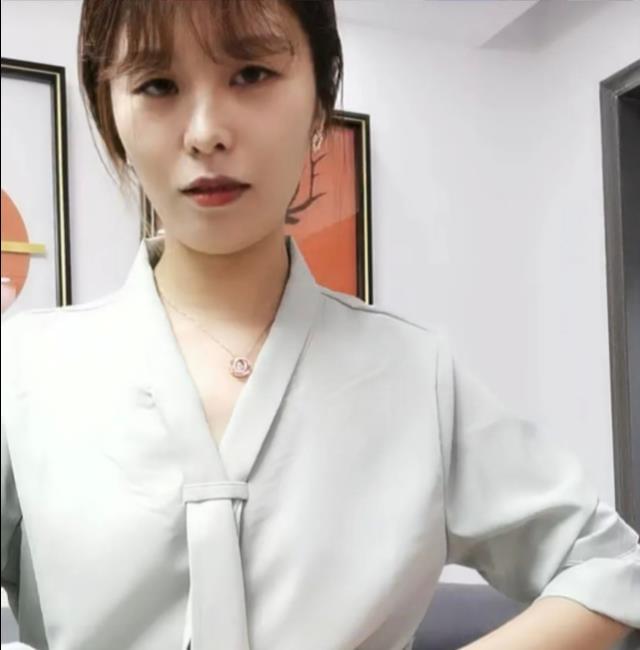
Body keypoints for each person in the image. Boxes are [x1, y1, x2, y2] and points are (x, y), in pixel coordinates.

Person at [1, 1, 638, 649]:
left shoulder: (413, 375)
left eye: (251, 74)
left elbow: (614, 565)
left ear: (319, 100)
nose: (206, 132)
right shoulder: (21, 372)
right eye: (158, 85)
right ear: (109, 113)